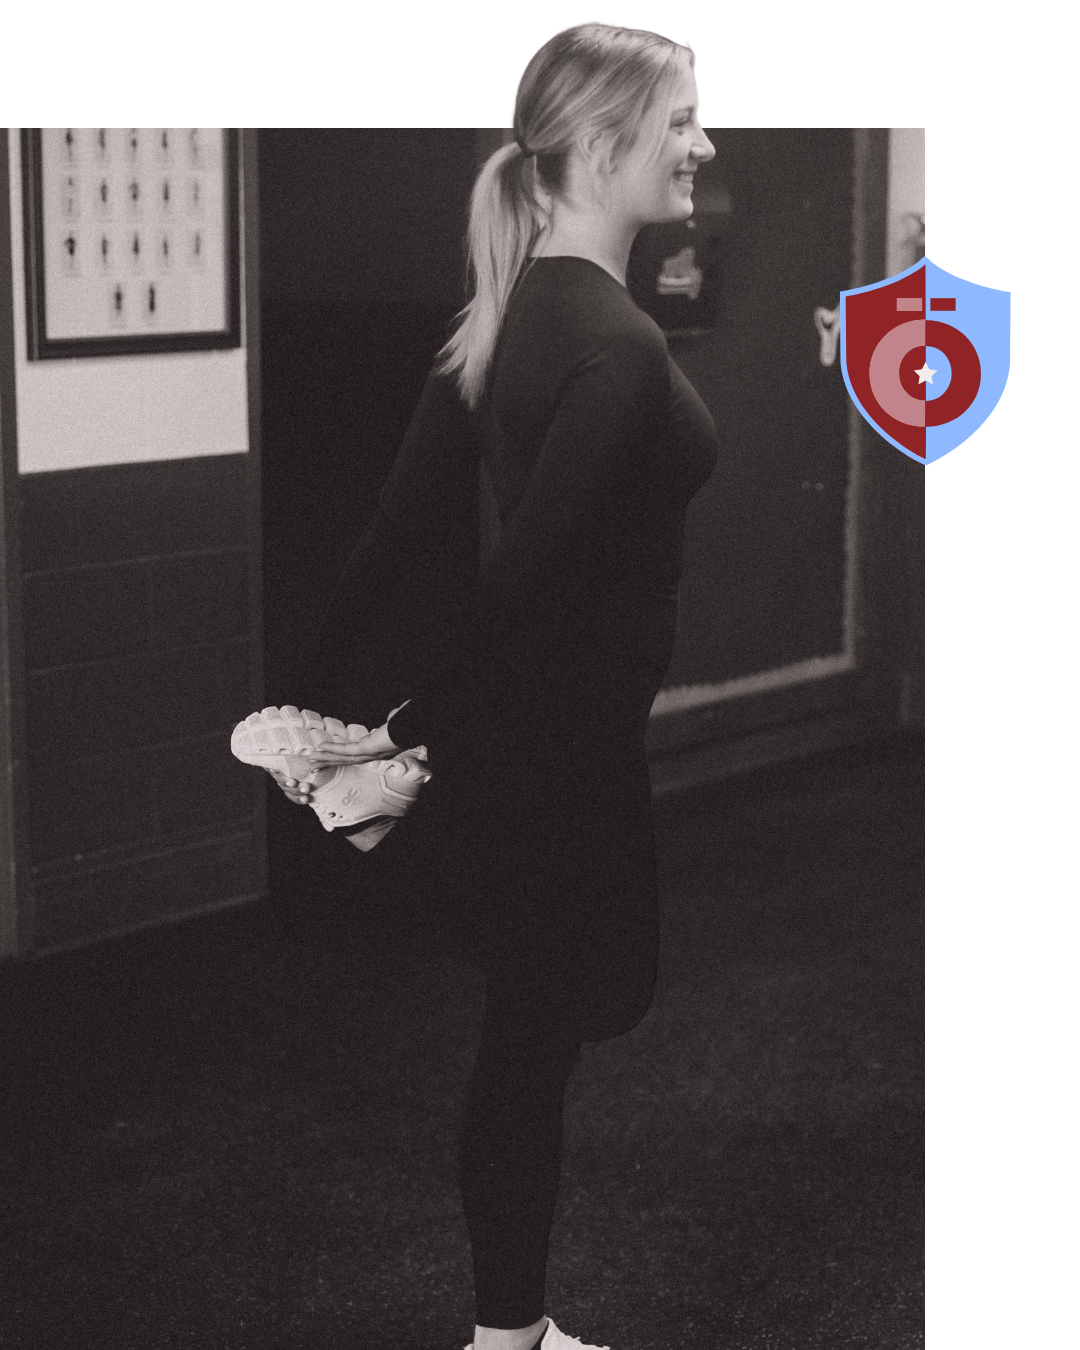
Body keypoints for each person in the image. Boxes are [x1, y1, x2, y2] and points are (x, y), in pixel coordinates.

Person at [268, 23, 718, 1350]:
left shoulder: (503, 319)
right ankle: (506, 1338)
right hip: (562, 756)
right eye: (682, 119)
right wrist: (387, 741)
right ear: (598, 145)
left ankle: (509, 1330)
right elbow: (519, 582)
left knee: (538, 1033)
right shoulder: (619, 347)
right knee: (560, 1022)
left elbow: (395, 537)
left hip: (534, 746)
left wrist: (304, 703)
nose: (704, 145)